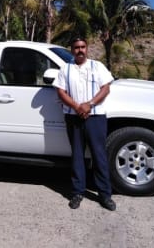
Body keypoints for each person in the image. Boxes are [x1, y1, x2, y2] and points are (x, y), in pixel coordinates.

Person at [53, 36, 116, 211]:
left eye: (82, 47)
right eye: (76, 47)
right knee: (77, 156)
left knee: (99, 156)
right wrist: (77, 106)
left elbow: (106, 88)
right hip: (73, 117)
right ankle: (77, 193)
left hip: (96, 117)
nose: (80, 50)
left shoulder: (98, 66)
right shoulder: (65, 69)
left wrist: (90, 104)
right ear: (72, 50)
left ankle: (105, 195)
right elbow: (61, 92)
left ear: (87, 48)